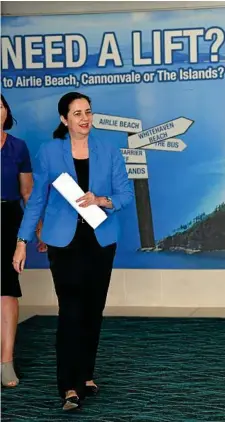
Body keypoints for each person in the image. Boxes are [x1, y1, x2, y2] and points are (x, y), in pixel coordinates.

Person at [13, 91, 133, 411]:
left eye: (88, 112)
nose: (84, 118)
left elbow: (125, 194)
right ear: (64, 120)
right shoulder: (50, 152)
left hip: (100, 239)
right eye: (77, 113)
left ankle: (87, 374)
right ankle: (68, 385)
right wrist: (22, 241)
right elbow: (37, 199)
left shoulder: (108, 152)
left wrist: (102, 200)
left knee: (93, 311)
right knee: (71, 311)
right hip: (63, 242)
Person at [1, 94, 33, 387]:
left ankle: (6, 361)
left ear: (6, 112)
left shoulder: (18, 147)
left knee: (6, 289)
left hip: (7, 218)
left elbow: (27, 194)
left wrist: (37, 228)